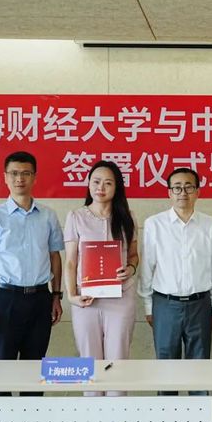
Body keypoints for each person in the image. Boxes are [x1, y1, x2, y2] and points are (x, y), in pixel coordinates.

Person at [0, 151, 64, 394]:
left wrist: (56, 296)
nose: (20, 179)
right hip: (6, 300)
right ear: (5, 177)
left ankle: (32, 417)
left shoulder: (48, 216)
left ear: (35, 177)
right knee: (1, 370)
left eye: (26, 173)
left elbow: (55, 257)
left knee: (35, 370)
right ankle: (0, 418)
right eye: (14, 173)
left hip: (40, 299)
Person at [138, 168, 212, 375]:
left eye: (189, 187)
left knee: (199, 368)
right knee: (166, 367)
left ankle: (199, 398)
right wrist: (149, 307)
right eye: (177, 188)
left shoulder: (210, 225)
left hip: (200, 305)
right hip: (165, 305)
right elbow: (147, 267)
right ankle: (167, 398)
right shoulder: (154, 224)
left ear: (198, 191)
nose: (183, 193)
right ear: (169, 192)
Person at [63, 160, 138, 396]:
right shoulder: (76, 217)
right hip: (86, 300)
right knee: (89, 364)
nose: (101, 188)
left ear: (117, 187)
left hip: (121, 298)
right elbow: (71, 261)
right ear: (88, 184)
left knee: (117, 364)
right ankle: (92, 415)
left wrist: (130, 269)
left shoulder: (128, 217)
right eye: (96, 182)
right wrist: (71, 295)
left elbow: (134, 256)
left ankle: (116, 415)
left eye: (108, 183)